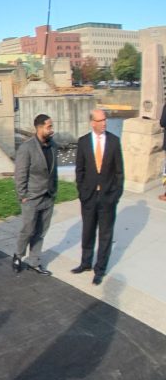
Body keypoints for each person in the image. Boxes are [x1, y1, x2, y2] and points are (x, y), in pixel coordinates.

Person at [71, 109, 124, 285]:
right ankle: (85, 263)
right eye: (100, 120)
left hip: (108, 197)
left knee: (105, 234)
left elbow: (119, 172)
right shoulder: (83, 142)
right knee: (88, 231)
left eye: (105, 120)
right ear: (93, 123)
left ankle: (99, 269)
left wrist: (115, 195)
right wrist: (82, 193)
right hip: (89, 196)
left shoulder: (114, 142)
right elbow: (80, 170)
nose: (104, 123)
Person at [13, 114, 58, 276]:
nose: (52, 129)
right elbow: (20, 174)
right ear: (39, 128)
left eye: (51, 126)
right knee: (28, 229)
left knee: (41, 231)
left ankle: (34, 261)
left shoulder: (53, 146)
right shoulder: (27, 148)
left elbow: (54, 172)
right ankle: (18, 255)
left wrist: (55, 190)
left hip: (48, 196)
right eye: (49, 126)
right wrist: (22, 195)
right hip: (31, 197)